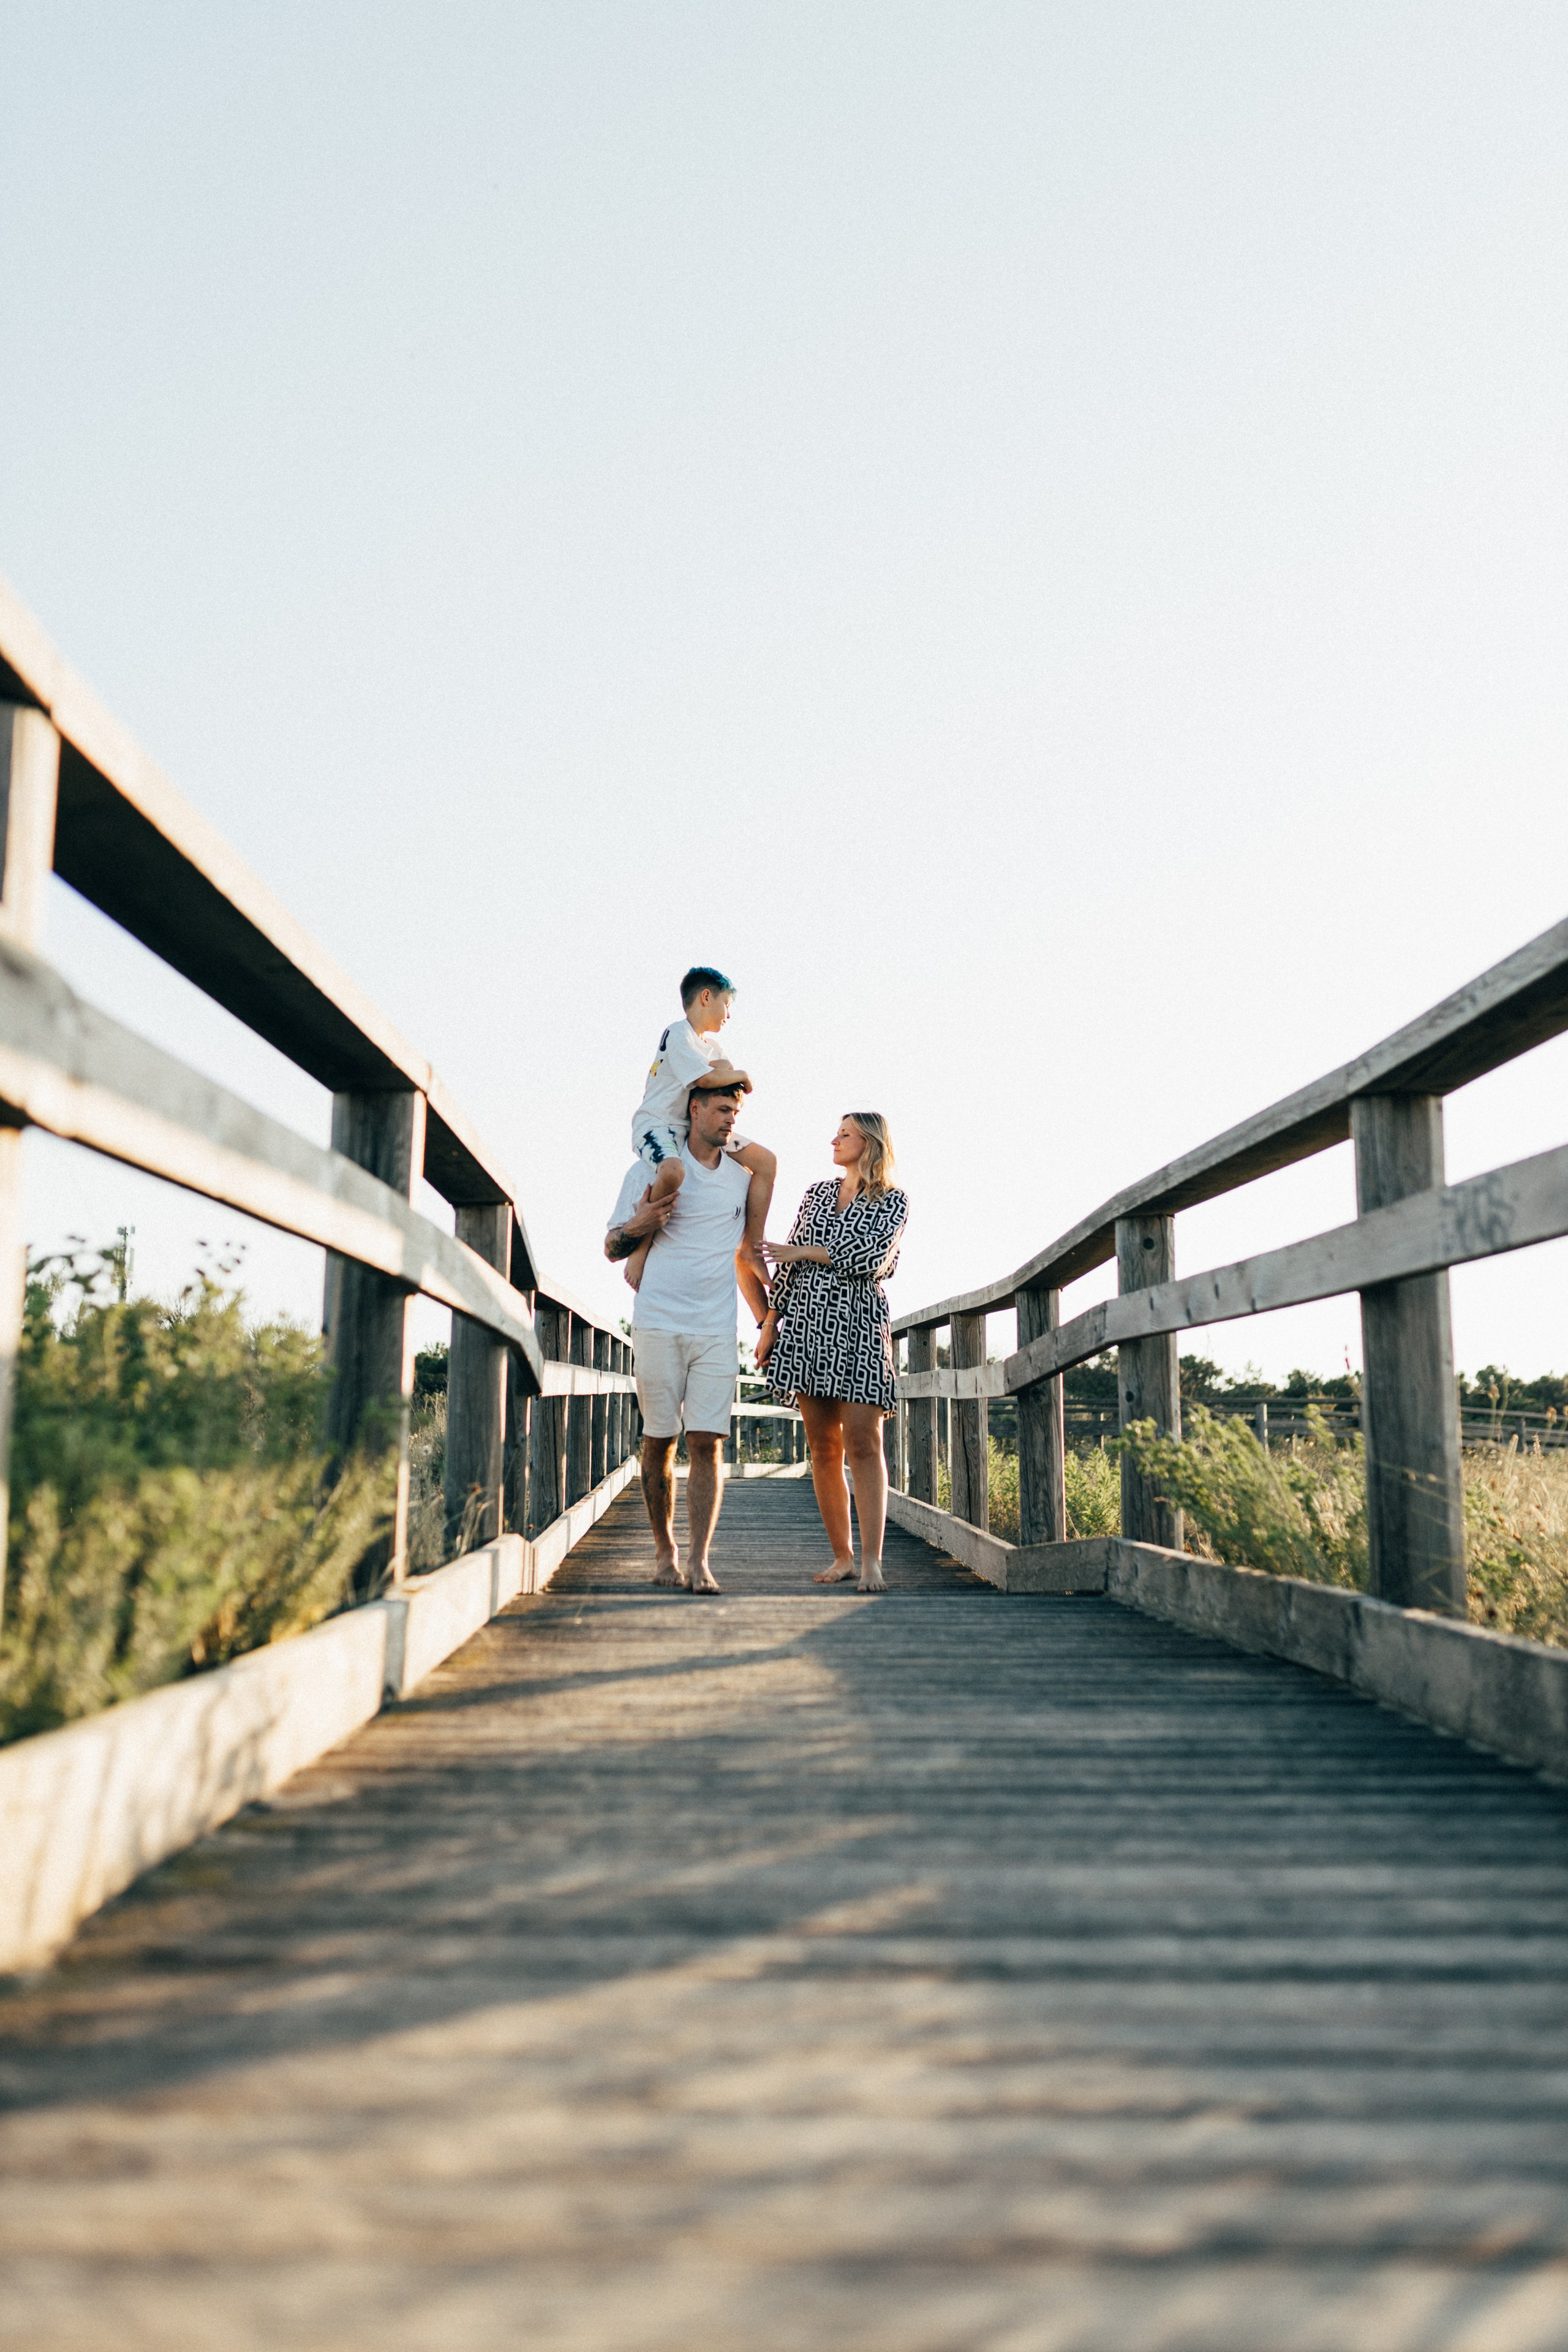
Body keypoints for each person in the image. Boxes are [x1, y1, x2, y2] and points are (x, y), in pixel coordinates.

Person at [605, 1069, 772, 1594]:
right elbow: (612, 1247)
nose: (731, 1121)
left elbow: (746, 1258)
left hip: (716, 1329)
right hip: (658, 1322)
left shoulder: (742, 1180)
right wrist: (638, 1227)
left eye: (735, 1113)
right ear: (694, 1110)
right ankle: (664, 1551)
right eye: (722, 1110)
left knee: (709, 1441)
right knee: (660, 1439)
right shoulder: (649, 1171)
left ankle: (700, 1559)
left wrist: (764, 1321)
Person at [758, 1114, 908, 1594]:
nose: (834, 1139)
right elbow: (786, 1263)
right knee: (823, 1448)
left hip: (860, 1327)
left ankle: (872, 1563)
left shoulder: (894, 1202)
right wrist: (770, 1322)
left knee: (865, 1443)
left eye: (844, 1134)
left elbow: (871, 1259)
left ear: (869, 1143)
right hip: (805, 1325)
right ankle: (842, 1556)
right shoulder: (816, 1193)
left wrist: (804, 1252)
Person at [622, 965, 777, 1292]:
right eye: (727, 1005)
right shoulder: (678, 1034)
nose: (729, 1016)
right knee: (674, 1171)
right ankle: (640, 1249)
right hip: (659, 1124)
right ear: (706, 997)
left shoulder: (714, 1050)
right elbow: (706, 1080)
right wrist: (742, 1074)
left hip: (694, 1125)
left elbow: (732, 1093)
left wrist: (732, 1078)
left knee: (766, 1162)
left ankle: (751, 1248)